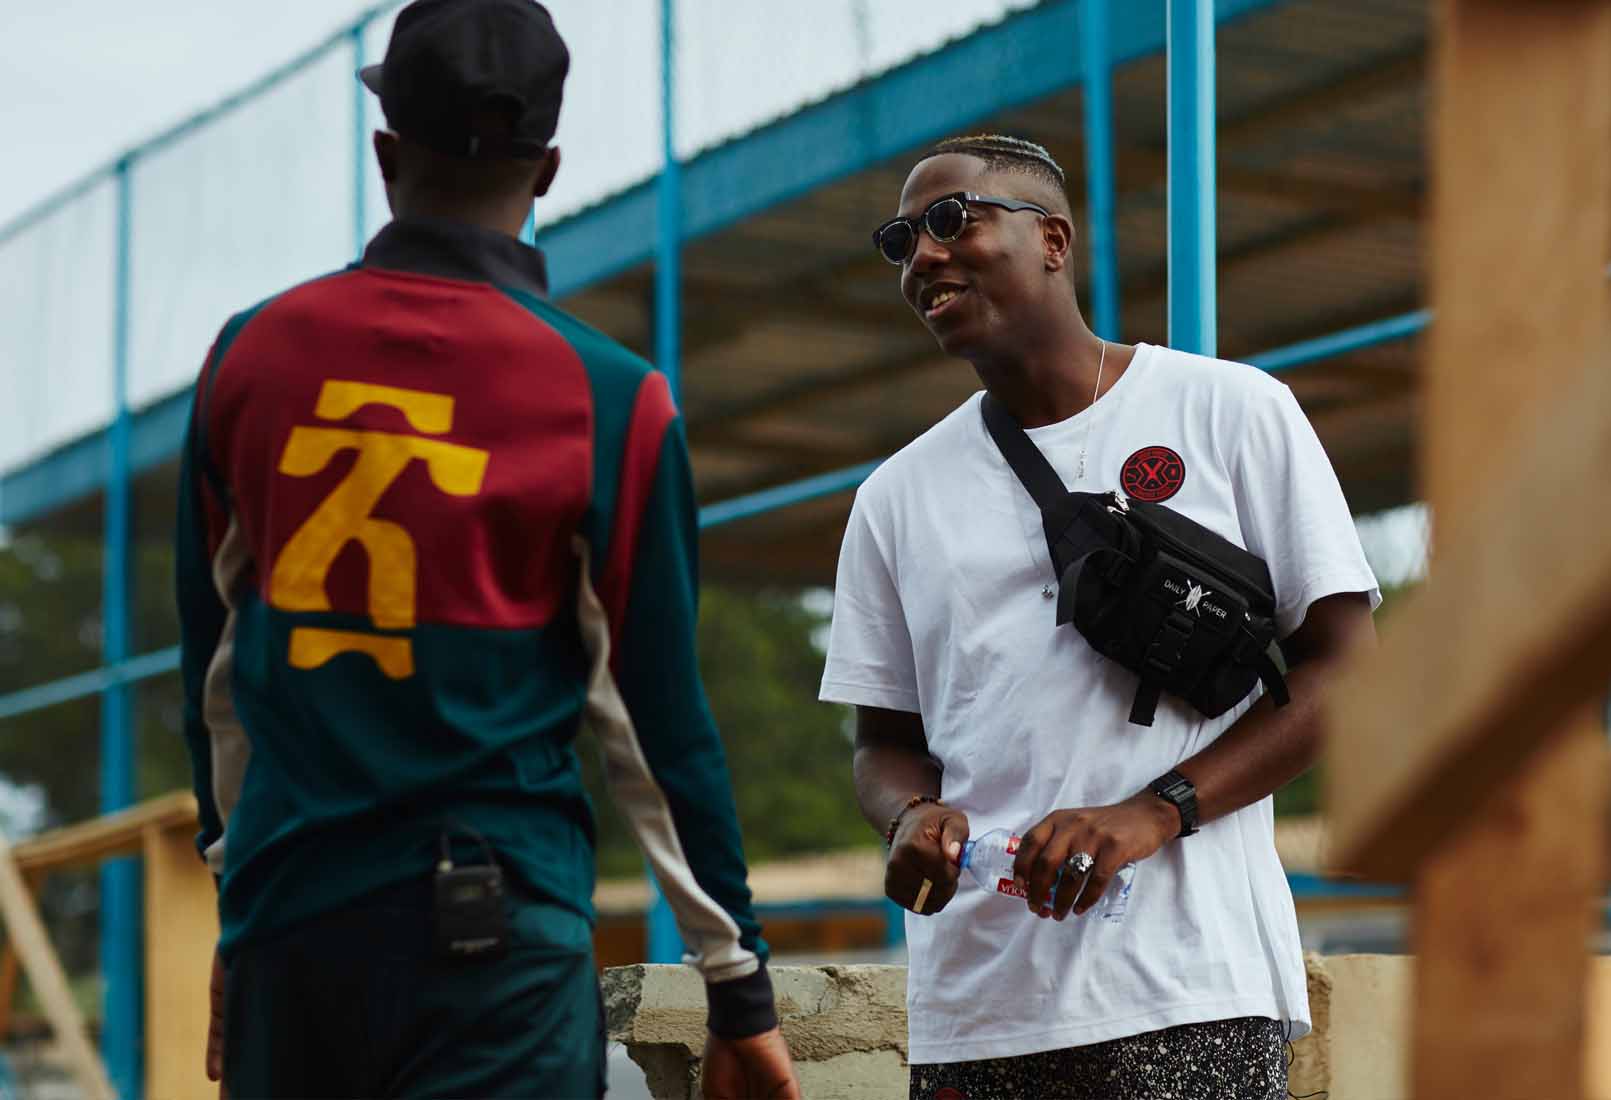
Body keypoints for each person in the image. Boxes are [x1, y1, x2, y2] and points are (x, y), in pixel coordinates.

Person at [173, 1, 798, 1095]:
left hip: (293, 926)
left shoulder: (251, 355)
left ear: (386, 154)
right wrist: (736, 985)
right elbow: (656, 721)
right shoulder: (612, 397)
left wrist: (241, 900)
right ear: (547, 170)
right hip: (495, 942)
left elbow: (214, 672)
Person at [819, 134, 1380, 1099]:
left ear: (1053, 240)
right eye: (900, 241)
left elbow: (1346, 672)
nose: (923, 257)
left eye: (952, 220)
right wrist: (910, 816)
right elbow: (884, 745)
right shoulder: (894, 499)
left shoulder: (1233, 411)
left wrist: (1154, 813)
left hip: (1189, 990)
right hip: (974, 1013)